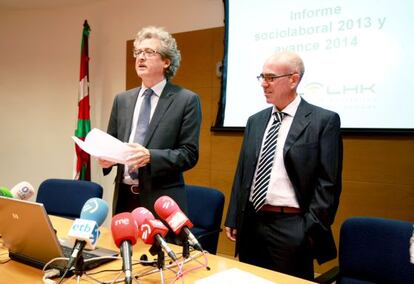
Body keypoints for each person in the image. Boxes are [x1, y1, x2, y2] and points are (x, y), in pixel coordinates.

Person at [224, 51, 342, 280]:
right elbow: (243, 173)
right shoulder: (255, 120)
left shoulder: (323, 121)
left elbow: (329, 183)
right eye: (262, 77)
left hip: (293, 225)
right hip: (253, 222)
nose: (264, 84)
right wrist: (234, 217)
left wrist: (308, 229)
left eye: (270, 77)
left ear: (293, 79)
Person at [99, 26, 202, 217]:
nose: (140, 57)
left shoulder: (185, 100)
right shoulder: (122, 100)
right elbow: (112, 143)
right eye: (138, 52)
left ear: (166, 61)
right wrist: (107, 159)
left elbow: (189, 154)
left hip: (162, 201)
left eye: (149, 52)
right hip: (123, 199)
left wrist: (151, 156)